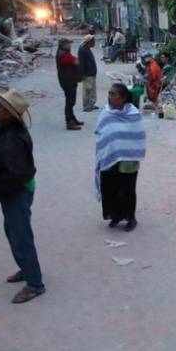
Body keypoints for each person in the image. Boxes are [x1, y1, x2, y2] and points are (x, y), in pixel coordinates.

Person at [0, 87, 45, 304]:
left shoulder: (12, 139)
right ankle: (26, 269)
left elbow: (17, 175)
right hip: (14, 190)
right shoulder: (6, 130)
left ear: (9, 113)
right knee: (13, 232)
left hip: (17, 191)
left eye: (0, 106)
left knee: (20, 236)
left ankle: (35, 284)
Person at [95, 83, 147, 231]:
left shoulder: (133, 114)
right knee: (111, 187)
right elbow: (100, 132)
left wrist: (124, 147)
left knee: (128, 188)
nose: (109, 97)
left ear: (123, 98)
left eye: (113, 94)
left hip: (128, 158)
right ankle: (116, 215)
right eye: (109, 93)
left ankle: (131, 218)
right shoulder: (106, 113)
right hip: (109, 157)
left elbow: (138, 136)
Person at [55, 38, 83, 130]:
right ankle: (69, 122)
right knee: (70, 102)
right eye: (68, 44)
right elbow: (76, 61)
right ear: (63, 45)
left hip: (69, 80)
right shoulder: (63, 55)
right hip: (68, 81)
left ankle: (72, 118)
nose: (70, 45)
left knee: (71, 101)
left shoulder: (64, 52)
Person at [79, 35, 99, 112]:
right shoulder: (82, 50)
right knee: (87, 90)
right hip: (87, 74)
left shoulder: (88, 49)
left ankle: (91, 104)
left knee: (92, 91)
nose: (94, 43)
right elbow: (81, 64)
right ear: (89, 42)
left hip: (92, 73)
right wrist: (82, 74)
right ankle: (86, 106)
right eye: (93, 42)